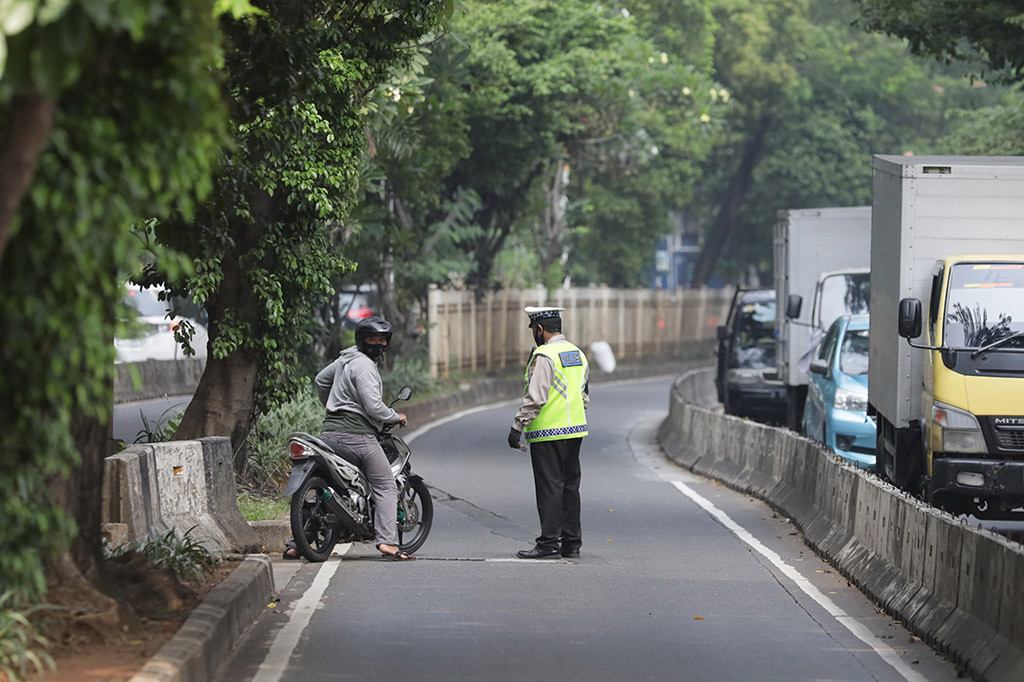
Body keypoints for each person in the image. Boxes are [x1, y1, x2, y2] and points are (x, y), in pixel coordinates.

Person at [284, 316, 414, 561]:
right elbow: (374, 407)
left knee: (327, 486)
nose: (377, 344)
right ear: (361, 340)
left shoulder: (346, 359)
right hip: (358, 435)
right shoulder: (364, 365)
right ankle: (387, 542)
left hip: (329, 433)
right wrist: (395, 416)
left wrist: (333, 406)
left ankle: (298, 543)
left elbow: (321, 380)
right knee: (385, 485)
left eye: (382, 339)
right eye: (372, 339)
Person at [508, 306, 590, 559]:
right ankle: (571, 543)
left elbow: (536, 397)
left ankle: (548, 543)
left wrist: (517, 426)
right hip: (575, 430)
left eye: (534, 329)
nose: (534, 333)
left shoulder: (544, 356)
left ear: (540, 329)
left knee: (549, 489)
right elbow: (583, 396)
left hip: (547, 432)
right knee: (569, 487)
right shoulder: (577, 354)